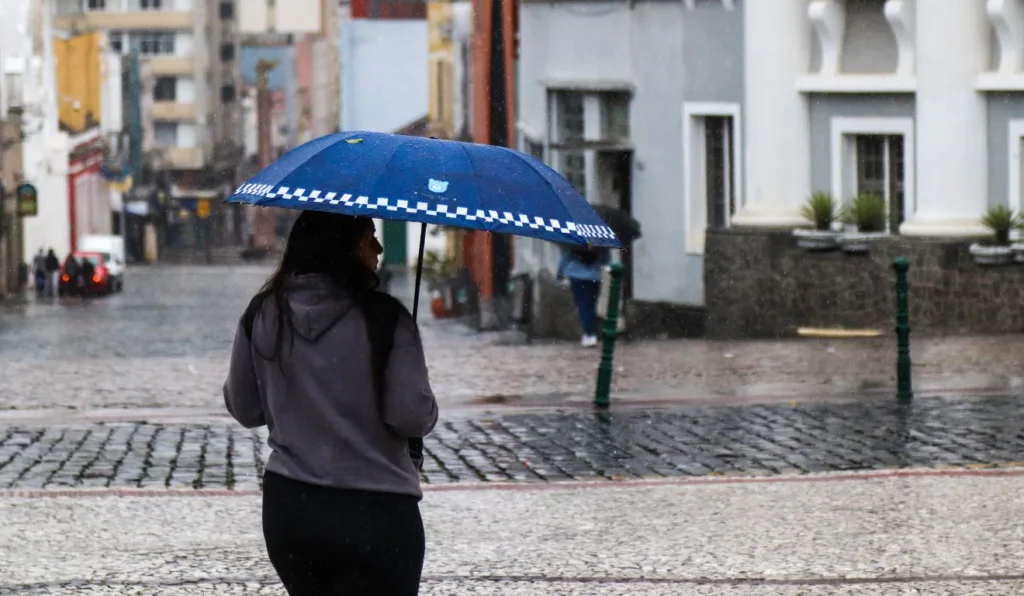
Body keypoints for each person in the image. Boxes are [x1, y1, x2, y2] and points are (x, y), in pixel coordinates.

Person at [224, 210, 438, 595]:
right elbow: (410, 416)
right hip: (378, 510)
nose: (378, 246)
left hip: (293, 508)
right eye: (368, 236)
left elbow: (244, 407)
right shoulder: (385, 320)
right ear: (345, 247)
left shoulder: (262, 313)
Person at [557, 244, 611, 347]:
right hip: (595, 277)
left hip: (577, 276)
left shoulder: (572, 240)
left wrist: (560, 275)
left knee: (583, 305)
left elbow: (564, 258)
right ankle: (591, 333)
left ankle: (590, 334)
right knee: (591, 304)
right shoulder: (599, 241)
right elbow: (605, 260)